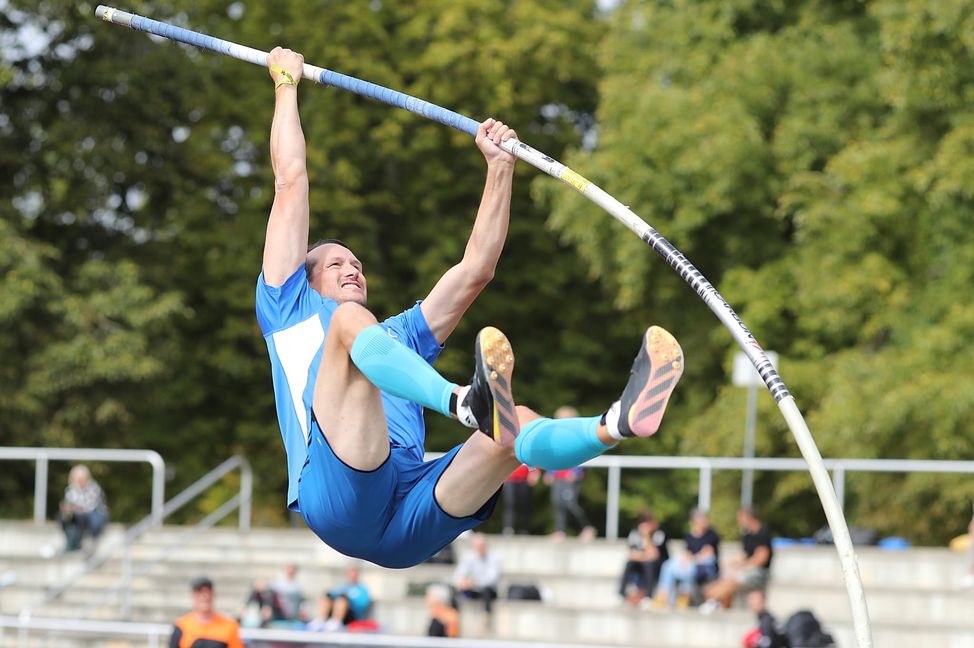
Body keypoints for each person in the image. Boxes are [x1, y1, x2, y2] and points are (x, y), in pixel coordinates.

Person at [257, 47, 685, 570]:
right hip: (338, 499)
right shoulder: (287, 306)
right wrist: (285, 86)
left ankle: (615, 424)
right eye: (335, 263)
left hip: (407, 522)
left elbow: (476, 269)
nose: (352, 268)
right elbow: (290, 180)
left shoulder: (398, 338)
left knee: (511, 433)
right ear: (304, 276)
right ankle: (464, 402)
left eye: (358, 262)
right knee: (350, 327)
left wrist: (499, 168)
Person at [701, 507, 773, 613]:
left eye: (740, 518)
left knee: (734, 578)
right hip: (747, 569)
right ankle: (717, 603)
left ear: (748, 517)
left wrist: (742, 566)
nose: (739, 522)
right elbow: (743, 555)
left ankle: (713, 599)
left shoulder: (762, 533)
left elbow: (761, 559)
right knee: (726, 574)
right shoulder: (747, 535)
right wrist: (730, 564)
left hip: (759, 572)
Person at [653, 507, 721, 608]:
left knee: (689, 569)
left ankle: (684, 597)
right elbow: (688, 553)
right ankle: (663, 595)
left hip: (706, 567)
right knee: (668, 565)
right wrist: (686, 560)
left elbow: (707, 554)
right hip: (692, 562)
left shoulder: (711, 535)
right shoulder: (689, 536)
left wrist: (691, 560)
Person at [171, 576, 243, 648]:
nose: (205, 596)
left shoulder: (229, 626)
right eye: (200, 592)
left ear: (213, 594)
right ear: (193, 595)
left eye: (207, 591)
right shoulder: (181, 626)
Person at [619, 510, 668, 606]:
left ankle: (648, 596)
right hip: (641, 562)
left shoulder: (659, 534)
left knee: (649, 564)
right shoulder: (634, 534)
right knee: (629, 563)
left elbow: (654, 555)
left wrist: (646, 536)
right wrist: (645, 556)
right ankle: (621, 593)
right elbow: (632, 555)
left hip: (658, 564)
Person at [58, 464, 109, 553]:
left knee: (83, 518)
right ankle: (71, 542)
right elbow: (70, 505)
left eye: (81, 478)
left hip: (95, 514)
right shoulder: (71, 489)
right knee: (62, 517)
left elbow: (89, 506)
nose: (79, 480)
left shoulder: (94, 487)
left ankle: (85, 542)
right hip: (79, 515)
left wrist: (74, 508)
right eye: (77, 478)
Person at [312, 562, 373, 631]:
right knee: (326, 597)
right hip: (338, 609)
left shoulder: (362, 589)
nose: (352, 574)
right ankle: (320, 620)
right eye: (350, 572)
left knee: (342, 600)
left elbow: (363, 604)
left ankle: (336, 622)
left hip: (352, 615)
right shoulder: (342, 587)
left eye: (354, 572)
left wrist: (350, 601)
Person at [452, 533, 500, 614]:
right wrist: (462, 582)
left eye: (482, 545)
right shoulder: (468, 557)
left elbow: (492, 580)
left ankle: (486, 618)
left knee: (487, 591)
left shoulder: (494, 558)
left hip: (487, 591)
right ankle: (454, 617)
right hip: (472, 589)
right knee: (455, 593)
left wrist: (474, 583)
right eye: (478, 546)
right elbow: (457, 576)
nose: (480, 548)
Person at [502, 464, 539, 536]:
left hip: (525, 479)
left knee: (525, 505)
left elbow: (530, 460)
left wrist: (534, 472)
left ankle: (524, 529)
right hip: (510, 479)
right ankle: (509, 528)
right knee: (510, 503)